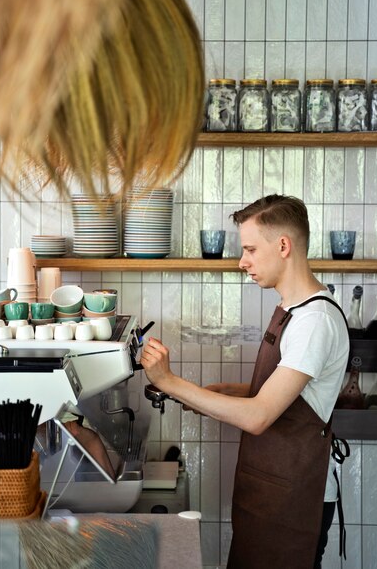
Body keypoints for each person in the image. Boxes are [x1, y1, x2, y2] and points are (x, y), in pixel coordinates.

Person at [140, 194, 350, 569]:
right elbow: (277, 397)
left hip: (295, 500)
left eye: (251, 249)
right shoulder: (292, 309)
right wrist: (210, 394)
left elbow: (258, 415)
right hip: (273, 491)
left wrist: (169, 381)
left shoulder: (314, 321)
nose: (242, 262)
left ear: (283, 245)